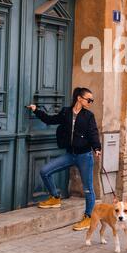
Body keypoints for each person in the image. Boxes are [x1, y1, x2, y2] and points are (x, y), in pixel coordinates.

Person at [27, 87, 102, 231]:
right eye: (89, 99)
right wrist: (36, 110)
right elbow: (51, 119)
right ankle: (55, 197)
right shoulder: (66, 112)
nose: (91, 102)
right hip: (70, 154)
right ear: (79, 98)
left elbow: (93, 133)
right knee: (45, 171)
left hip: (84, 156)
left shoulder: (89, 116)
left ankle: (89, 217)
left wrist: (97, 148)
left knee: (88, 189)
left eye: (92, 100)